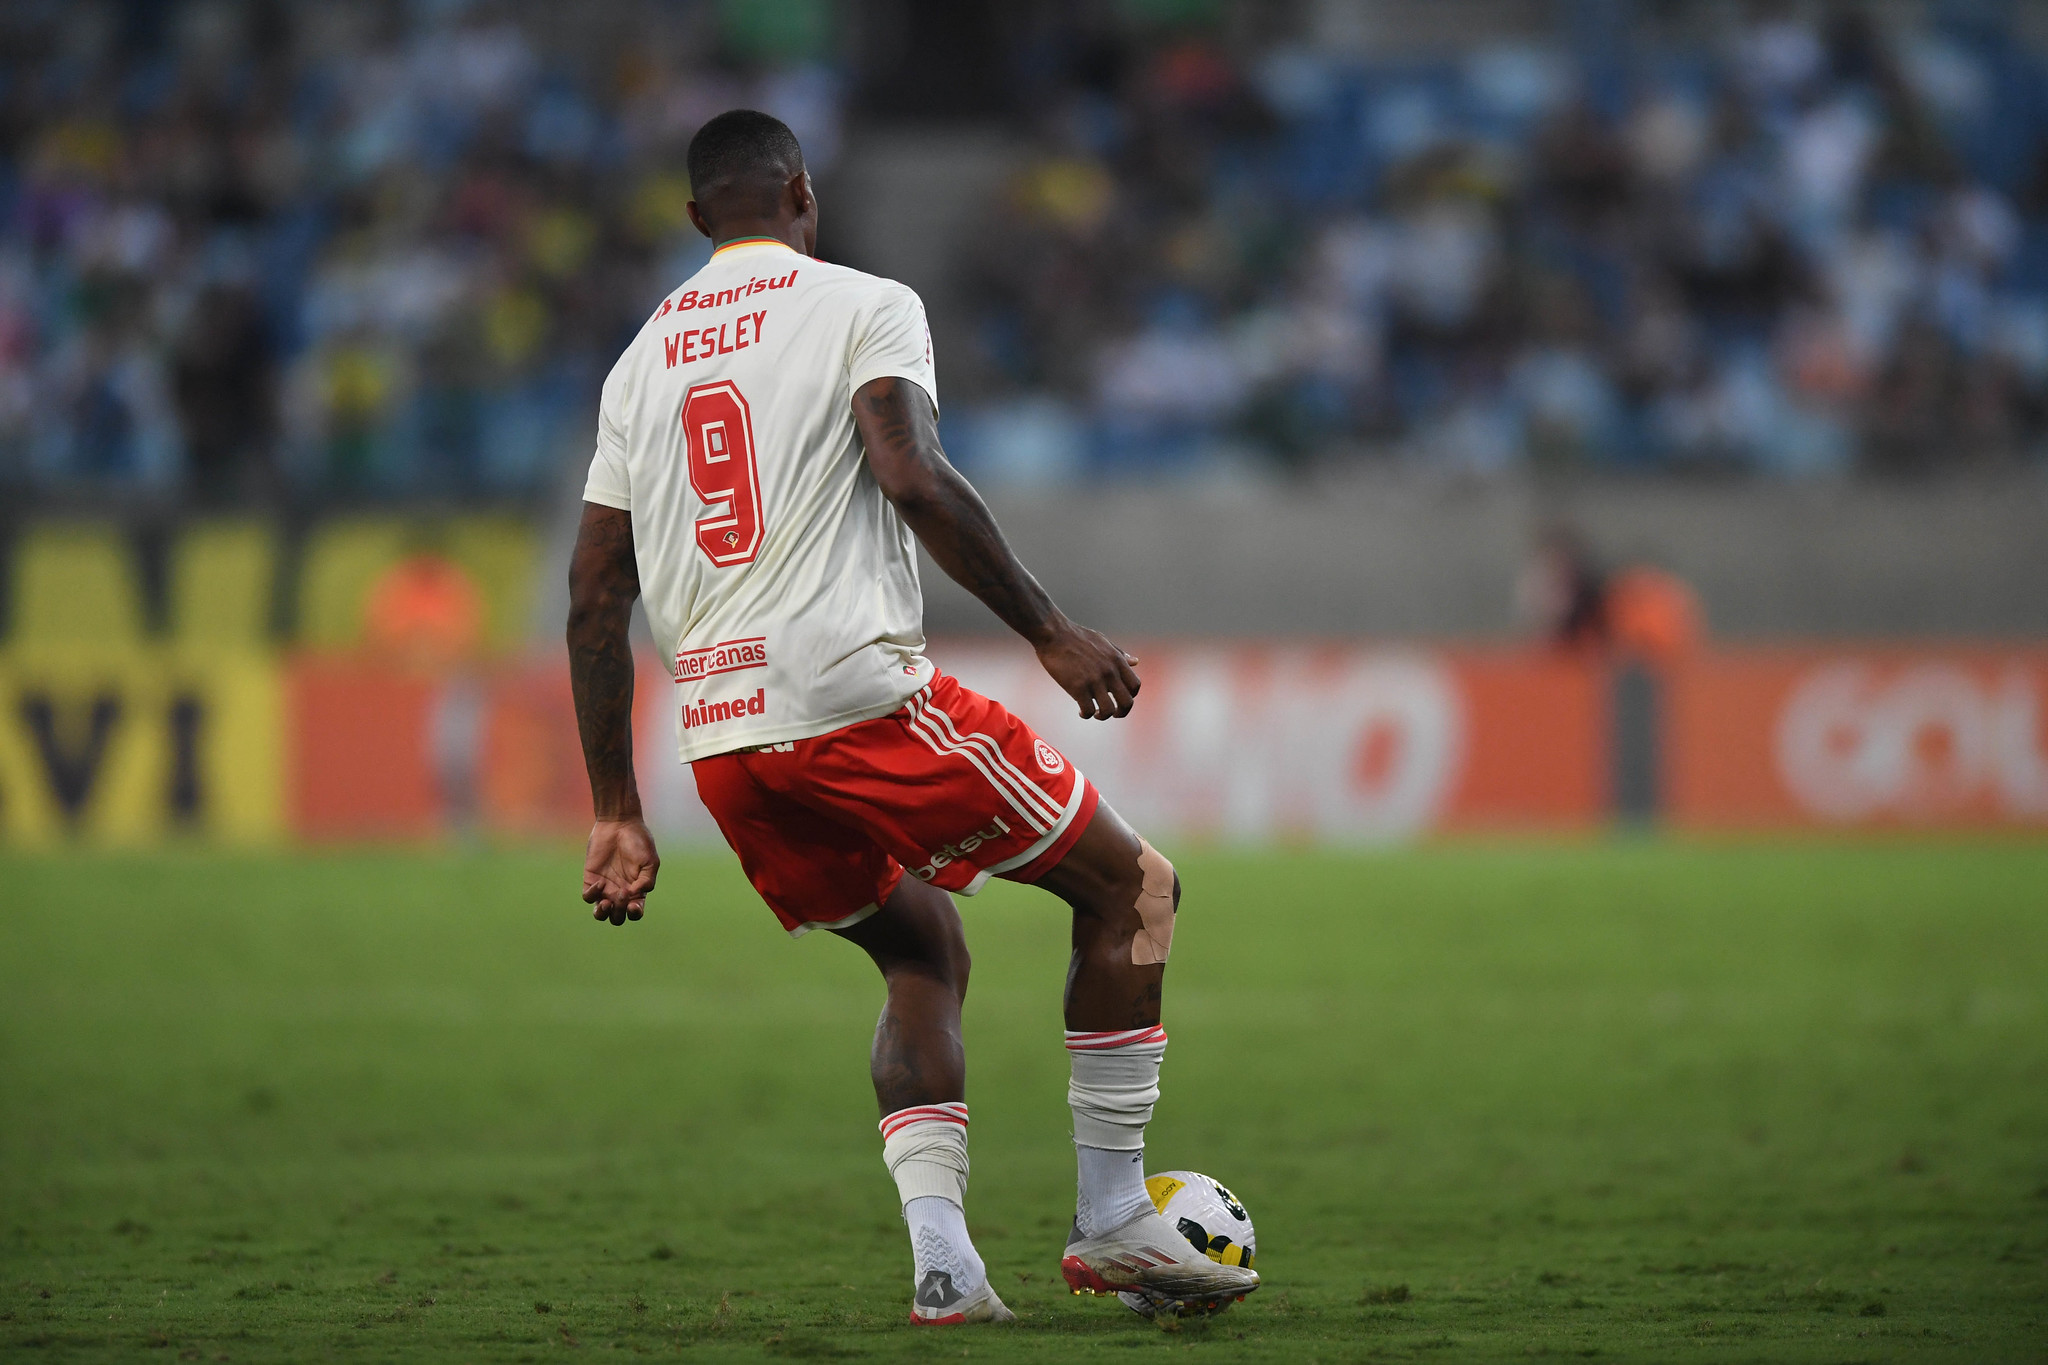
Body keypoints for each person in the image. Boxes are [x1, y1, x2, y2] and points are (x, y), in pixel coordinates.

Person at [565, 110, 1258, 1327]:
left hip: (723, 739)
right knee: (1133, 890)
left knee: (918, 950)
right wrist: (1047, 628)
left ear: (693, 221)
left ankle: (945, 1266)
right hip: (854, 697)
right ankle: (1112, 1221)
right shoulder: (860, 303)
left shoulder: (635, 368)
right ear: (802, 194)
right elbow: (910, 472)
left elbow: (592, 598)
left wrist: (617, 809)